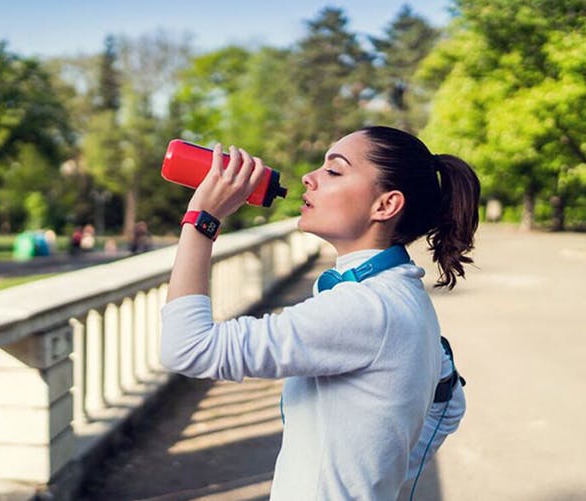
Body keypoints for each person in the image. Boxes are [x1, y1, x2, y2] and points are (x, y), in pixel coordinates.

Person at [160, 126, 480, 500]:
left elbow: (187, 348)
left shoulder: (364, 308)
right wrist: (374, 481)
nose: (309, 179)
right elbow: (448, 399)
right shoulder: (400, 291)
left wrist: (202, 218)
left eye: (334, 170)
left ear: (386, 205)